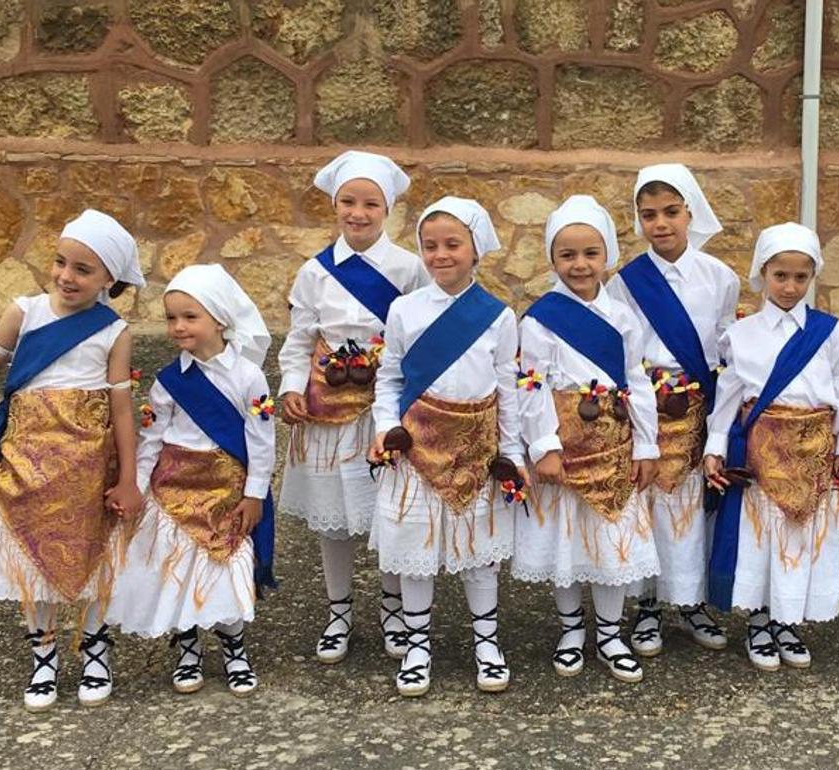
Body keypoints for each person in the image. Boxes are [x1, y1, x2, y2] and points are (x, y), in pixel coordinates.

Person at [0, 209, 146, 710]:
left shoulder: (113, 332)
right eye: (60, 262)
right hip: (26, 460)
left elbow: (122, 408)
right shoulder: (24, 312)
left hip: (89, 463)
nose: (66, 276)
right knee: (31, 553)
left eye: (83, 269)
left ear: (109, 280)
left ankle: (95, 649)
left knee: (96, 552)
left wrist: (129, 478)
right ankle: (44, 654)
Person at [369, 196, 527, 696]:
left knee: (478, 552)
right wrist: (383, 426)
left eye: (453, 244)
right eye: (430, 245)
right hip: (415, 450)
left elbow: (508, 387)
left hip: (476, 451)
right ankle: (417, 646)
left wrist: (513, 453)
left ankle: (487, 643)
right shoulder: (404, 310)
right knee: (417, 546)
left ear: (476, 248)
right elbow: (389, 378)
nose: (440, 255)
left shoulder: (498, 316)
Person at [277, 150, 428, 664]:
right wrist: (292, 386)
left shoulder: (411, 268)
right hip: (326, 415)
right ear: (334, 204)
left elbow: (424, 334)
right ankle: (339, 610)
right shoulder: (314, 274)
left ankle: (395, 611)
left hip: (382, 413)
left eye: (370, 204)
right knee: (333, 518)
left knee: (387, 513)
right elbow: (300, 341)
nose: (357, 213)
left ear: (388, 210)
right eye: (348, 202)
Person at [107, 264, 275, 697]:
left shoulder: (249, 378)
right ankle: (186, 648)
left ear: (219, 319)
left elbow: (262, 439)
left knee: (224, 571)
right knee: (176, 572)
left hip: (226, 494)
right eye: (171, 318)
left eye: (190, 317)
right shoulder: (167, 383)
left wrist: (255, 492)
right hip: (173, 496)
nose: (178, 327)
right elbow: (151, 440)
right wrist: (138, 487)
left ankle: (234, 647)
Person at [703, 222, 839, 671]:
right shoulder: (742, 334)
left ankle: (788, 619)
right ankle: (758, 620)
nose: (790, 286)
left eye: (800, 277)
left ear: (812, 277)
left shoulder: (830, 333)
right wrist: (715, 446)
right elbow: (729, 398)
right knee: (761, 538)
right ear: (762, 273)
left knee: (800, 536)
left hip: (813, 452)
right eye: (780, 276)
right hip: (760, 453)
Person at [514, 195, 661, 682]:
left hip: (615, 447)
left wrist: (646, 445)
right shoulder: (538, 318)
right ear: (553, 259)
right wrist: (544, 447)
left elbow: (637, 381)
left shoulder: (623, 317)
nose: (580, 265)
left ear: (607, 255)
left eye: (590, 253)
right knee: (568, 542)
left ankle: (612, 633)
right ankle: (571, 629)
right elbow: (531, 385)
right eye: (568, 255)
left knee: (610, 539)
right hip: (566, 448)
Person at [606, 163, 740, 656]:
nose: (659, 224)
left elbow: (726, 345)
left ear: (691, 212)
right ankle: (646, 604)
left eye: (670, 212)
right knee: (645, 502)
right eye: (648, 215)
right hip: (645, 405)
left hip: (697, 405)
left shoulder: (721, 277)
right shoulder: (625, 283)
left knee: (690, 505)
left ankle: (690, 600)